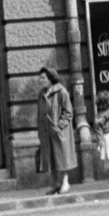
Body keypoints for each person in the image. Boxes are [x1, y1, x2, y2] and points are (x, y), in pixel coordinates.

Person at [37, 66, 77, 196]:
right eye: (40, 77)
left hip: (60, 132)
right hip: (46, 132)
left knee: (63, 158)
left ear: (50, 78)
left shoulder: (61, 91)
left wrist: (59, 126)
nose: (40, 80)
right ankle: (55, 184)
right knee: (51, 159)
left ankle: (65, 183)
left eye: (43, 78)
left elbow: (68, 112)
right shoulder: (41, 93)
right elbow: (39, 112)